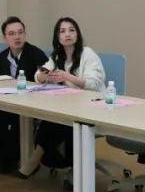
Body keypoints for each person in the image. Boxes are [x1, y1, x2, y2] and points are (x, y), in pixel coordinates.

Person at [21, 17, 105, 176]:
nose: (68, 34)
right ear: (57, 37)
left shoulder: (87, 54)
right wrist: (44, 76)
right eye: (63, 31)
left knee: (55, 123)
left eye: (72, 30)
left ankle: (36, 161)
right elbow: (38, 75)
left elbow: (93, 84)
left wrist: (67, 76)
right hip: (71, 107)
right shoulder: (57, 56)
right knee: (50, 120)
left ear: (77, 34)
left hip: (93, 107)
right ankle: (47, 162)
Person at [0, 16, 47, 174]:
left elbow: (46, 81)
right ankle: (5, 154)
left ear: (25, 34)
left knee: (15, 118)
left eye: (20, 32)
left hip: (30, 102)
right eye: (12, 34)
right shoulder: (2, 57)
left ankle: (16, 157)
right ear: (5, 38)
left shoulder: (36, 55)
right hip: (7, 100)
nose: (17, 37)